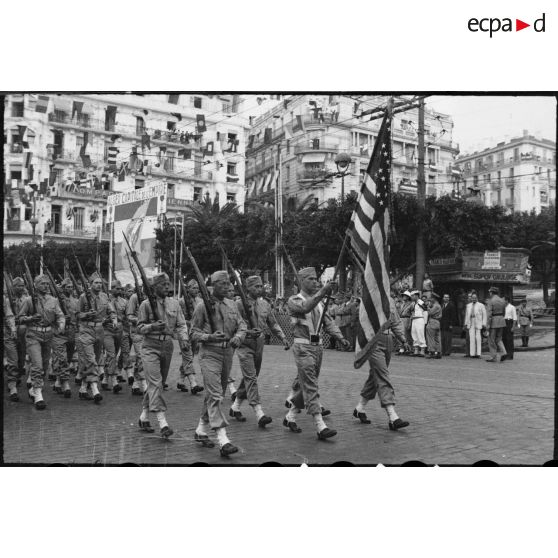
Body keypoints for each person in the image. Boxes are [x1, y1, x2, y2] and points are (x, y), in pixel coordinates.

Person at [283, 267, 350, 440]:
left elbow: (328, 323)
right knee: (311, 384)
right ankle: (320, 425)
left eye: (316, 279)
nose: (315, 282)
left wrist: (340, 338)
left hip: (318, 348)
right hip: (302, 347)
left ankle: (290, 416)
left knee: (307, 384)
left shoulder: (320, 303)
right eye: (311, 279)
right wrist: (323, 291)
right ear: (302, 281)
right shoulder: (294, 300)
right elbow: (305, 308)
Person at [190, 270, 247, 456]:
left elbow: (242, 325)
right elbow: (193, 332)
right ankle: (223, 440)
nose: (228, 286)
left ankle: (200, 430)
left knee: (215, 394)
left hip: (227, 353)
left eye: (228, 283)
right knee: (215, 394)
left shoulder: (232, 304)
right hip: (209, 353)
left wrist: (239, 337)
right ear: (213, 285)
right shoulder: (202, 307)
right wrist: (209, 336)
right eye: (223, 283)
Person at [230, 275, 290, 426]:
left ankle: (235, 406)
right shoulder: (238, 304)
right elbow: (233, 327)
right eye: (256, 286)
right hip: (245, 344)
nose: (259, 289)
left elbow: (273, 323)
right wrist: (247, 333)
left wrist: (283, 337)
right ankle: (259, 412)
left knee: (251, 376)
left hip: (259, 344)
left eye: (260, 286)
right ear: (248, 288)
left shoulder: (265, 305)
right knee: (251, 378)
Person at [136, 272, 190, 438]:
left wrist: (184, 339)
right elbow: (139, 328)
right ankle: (162, 422)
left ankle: (144, 416)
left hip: (167, 345)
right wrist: (152, 327)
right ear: (154, 287)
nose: (167, 287)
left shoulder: (174, 304)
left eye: (168, 284)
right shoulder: (145, 305)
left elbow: (181, 324)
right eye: (163, 284)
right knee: (156, 383)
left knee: (157, 384)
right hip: (150, 345)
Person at [353, 297, 411, 430]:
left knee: (375, 375)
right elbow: (362, 321)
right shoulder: (367, 295)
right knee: (382, 375)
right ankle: (392, 416)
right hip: (373, 339)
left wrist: (402, 339)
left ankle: (360, 408)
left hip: (388, 339)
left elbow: (395, 320)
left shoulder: (389, 299)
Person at [16, 275, 65, 410]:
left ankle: (33, 388)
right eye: (43, 284)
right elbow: (19, 318)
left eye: (47, 284)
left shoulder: (53, 300)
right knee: (37, 363)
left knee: (44, 365)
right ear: (36, 285)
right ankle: (38, 393)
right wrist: (31, 318)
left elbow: (60, 315)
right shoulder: (29, 300)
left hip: (48, 335)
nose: (46, 286)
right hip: (33, 334)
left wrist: (61, 325)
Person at [77, 273, 117, 403]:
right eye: (96, 283)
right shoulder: (83, 297)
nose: (99, 285)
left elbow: (111, 310)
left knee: (90, 360)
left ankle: (83, 388)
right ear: (90, 284)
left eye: (100, 283)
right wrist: (87, 314)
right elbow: (77, 315)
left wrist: (114, 318)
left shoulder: (105, 296)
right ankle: (95, 389)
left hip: (100, 330)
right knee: (91, 359)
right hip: (86, 330)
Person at [51, 278, 79, 398]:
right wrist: (61, 319)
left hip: (71, 332)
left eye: (72, 286)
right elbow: (51, 316)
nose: (70, 289)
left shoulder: (76, 301)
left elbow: (77, 316)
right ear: (62, 288)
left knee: (67, 357)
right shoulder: (56, 301)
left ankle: (58, 380)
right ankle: (65, 383)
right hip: (59, 331)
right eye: (67, 287)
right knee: (61, 357)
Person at [176, 280, 203, 394]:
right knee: (187, 355)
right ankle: (193, 383)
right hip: (184, 332)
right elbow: (179, 319)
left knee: (190, 357)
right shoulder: (181, 302)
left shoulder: (200, 301)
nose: (196, 290)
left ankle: (181, 381)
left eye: (197, 288)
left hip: (195, 333)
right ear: (188, 289)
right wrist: (188, 322)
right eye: (193, 288)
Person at [102, 280, 128, 392]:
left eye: (120, 288)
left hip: (119, 330)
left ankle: (105, 378)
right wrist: (107, 319)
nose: (119, 290)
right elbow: (100, 316)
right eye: (116, 288)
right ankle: (114, 381)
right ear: (111, 288)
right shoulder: (104, 300)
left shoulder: (124, 302)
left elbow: (127, 317)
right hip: (107, 330)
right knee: (111, 354)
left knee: (113, 355)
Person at [126, 283, 148, 396]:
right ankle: (144, 385)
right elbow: (129, 316)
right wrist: (141, 319)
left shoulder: (150, 298)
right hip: (137, 332)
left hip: (148, 333)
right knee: (141, 356)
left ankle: (135, 383)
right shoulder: (134, 297)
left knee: (142, 358)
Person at [11, 277, 29, 385]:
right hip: (11, 329)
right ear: (13, 287)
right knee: (12, 356)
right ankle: (12, 378)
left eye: (23, 286)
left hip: (23, 329)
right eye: (19, 286)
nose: (21, 288)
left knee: (21, 355)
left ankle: (17, 375)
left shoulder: (27, 299)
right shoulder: (8, 298)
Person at [485, 286, 507, 363]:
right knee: (499, 339)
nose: (489, 293)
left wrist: (487, 326)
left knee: (491, 339)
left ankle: (493, 356)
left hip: (493, 322)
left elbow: (489, 315)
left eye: (490, 292)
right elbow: (504, 312)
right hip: (501, 321)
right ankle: (504, 352)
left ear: (491, 292)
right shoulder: (502, 300)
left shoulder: (491, 301)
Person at [4, 294, 19, 401]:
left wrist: (13, 329)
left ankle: (12, 386)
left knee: (13, 360)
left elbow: (9, 315)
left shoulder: (4, 299)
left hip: (6, 332)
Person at [464, 292, 487, 358]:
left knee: (478, 338)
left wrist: (484, 323)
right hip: (471, 322)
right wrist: (466, 323)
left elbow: (484, 315)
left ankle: (478, 353)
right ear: (471, 298)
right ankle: (472, 354)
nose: (474, 299)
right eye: (472, 298)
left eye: (475, 298)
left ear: (477, 298)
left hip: (478, 322)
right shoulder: (468, 305)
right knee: (471, 338)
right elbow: (467, 315)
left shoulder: (481, 305)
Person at [410, 290, 427, 357]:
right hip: (414, 319)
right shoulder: (413, 303)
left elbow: (425, 311)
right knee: (414, 334)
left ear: (416, 296)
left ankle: (422, 350)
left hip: (420, 319)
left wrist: (425, 322)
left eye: (413, 296)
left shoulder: (421, 302)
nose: (411, 297)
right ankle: (416, 350)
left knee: (420, 334)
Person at [425, 293, 442, 358]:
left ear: (434, 299)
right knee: (437, 338)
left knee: (431, 338)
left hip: (432, 322)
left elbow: (430, 313)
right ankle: (438, 352)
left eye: (431, 298)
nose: (430, 300)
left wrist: (428, 307)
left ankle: (431, 352)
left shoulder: (435, 305)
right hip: (437, 322)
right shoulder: (439, 305)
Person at [501, 295, 517, 361]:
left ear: (506, 300)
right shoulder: (502, 307)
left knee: (509, 340)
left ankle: (510, 355)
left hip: (509, 323)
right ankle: (505, 354)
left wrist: (513, 327)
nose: (502, 301)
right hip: (503, 323)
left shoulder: (512, 307)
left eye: (503, 300)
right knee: (504, 339)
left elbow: (515, 318)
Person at [398, 291, 413, 355]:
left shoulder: (411, 304)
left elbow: (412, 313)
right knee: (400, 333)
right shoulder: (402, 304)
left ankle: (408, 349)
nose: (404, 297)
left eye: (405, 296)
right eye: (403, 296)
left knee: (406, 334)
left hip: (407, 318)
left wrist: (410, 322)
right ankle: (401, 348)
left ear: (408, 297)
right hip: (401, 318)